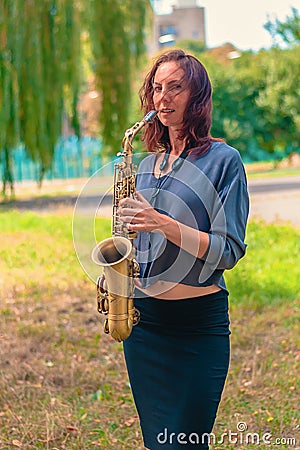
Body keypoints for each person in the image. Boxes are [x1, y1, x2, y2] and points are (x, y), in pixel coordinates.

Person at [118, 49, 249, 450]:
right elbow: (136, 242)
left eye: (175, 87)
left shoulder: (225, 161)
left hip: (197, 326)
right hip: (145, 328)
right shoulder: (142, 167)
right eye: (157, 88)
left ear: (197, 96)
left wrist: (162, 222)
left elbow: (228, 251)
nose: (163, 98)